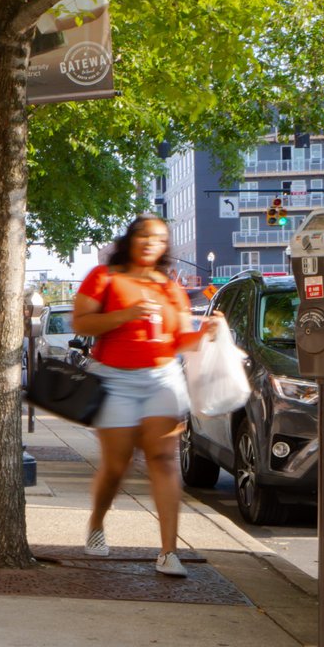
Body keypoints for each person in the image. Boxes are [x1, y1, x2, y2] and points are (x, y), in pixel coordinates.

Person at [71, 214, 210, 576]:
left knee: (164, 459)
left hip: (161, 378)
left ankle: (168, 551)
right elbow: (81, 323)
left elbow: (181, 339)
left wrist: (208, 333)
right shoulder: (105, 277)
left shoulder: (169, 286)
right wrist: (127, 314)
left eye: (160, 239)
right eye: (145, 236)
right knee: (117, 465)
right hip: (114, 378)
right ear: (131, 239)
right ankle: (97, 523)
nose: (152, 243)